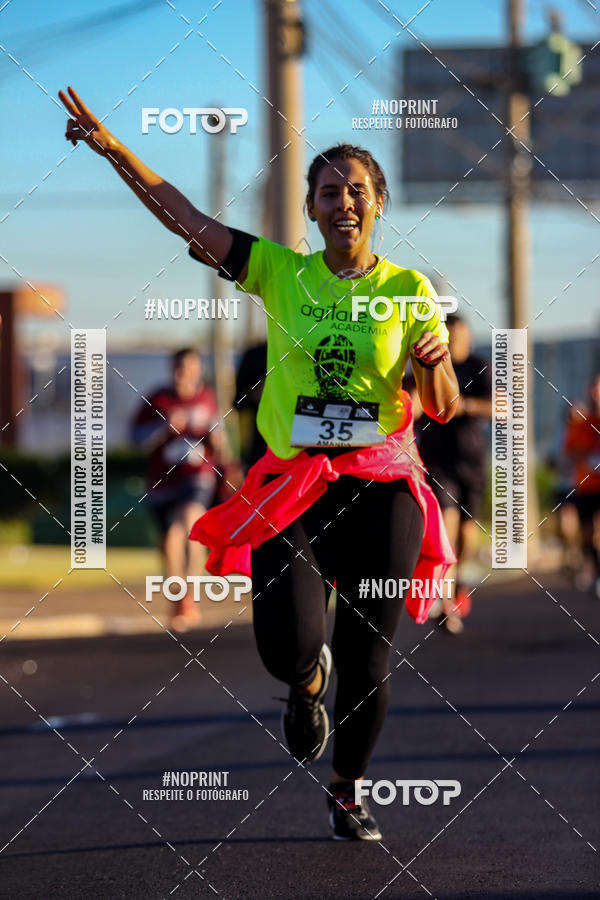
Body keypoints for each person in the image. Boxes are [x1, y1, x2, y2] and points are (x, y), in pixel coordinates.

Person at [60, 86, 459, 841]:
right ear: (310, 209)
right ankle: (306, 684)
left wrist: (434, 360)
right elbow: (186, 218)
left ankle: (348, 790)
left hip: (380, 486)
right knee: (286, 646)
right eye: (329, 192)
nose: (344, 202)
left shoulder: (409, 290)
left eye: (358, 191)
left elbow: (439, 405)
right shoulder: (281, 272)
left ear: (379, 204)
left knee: (369, 657)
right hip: (295, 486)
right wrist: (115, 152)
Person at [131, 347, 222, 632]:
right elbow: (135, 439)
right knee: (170, 537)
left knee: (192, 521)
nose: (183, 373)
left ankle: (190, 595)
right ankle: (178, 598)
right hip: (163, 482)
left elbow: (220, 438)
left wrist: (218, 442)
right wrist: (164, 429)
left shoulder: (208, 398)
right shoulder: (158, 399)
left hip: (197, 476)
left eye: (189, 367)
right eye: (178, 367)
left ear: (198, 369)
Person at [413, 314, 492, 634]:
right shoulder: (427, 362)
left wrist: (463, 406)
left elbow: (500, 406)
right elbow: (413, 399)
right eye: (450, 337)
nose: (455, 342)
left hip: (471, 461)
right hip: (437, 461)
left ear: (468, 338)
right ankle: (443, 598)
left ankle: (458, 586)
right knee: (446, 524)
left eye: (460, 337)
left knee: (466, 535)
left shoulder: (479, 366)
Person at [564, 372, 600, 598]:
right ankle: (596, 573)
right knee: (588, 534)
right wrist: (586, 456)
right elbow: (569, 451)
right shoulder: (581, 423)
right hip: (586, 486)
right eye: (593, 388)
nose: (596, 393)